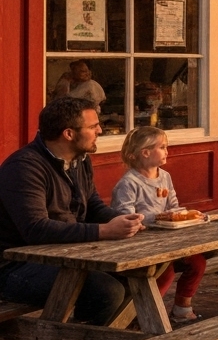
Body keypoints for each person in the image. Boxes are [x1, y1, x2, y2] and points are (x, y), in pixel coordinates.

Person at [0, 97, 143, 325]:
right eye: (93, 126)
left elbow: (93, 206)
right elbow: (36, 230)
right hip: (15, 267)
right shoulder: (24, 168)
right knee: (107, 291)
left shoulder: (80, 159)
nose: (100, 130)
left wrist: (125, 221)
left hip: (66, 255)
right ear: (68, 134)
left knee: (137, 274)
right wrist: (105, 231)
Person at [111, 127, 206, 322]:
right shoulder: (129, 183)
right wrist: (158, 217)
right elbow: (124, 215)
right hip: (142, 240)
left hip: (169, 238)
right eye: (162, 147)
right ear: (145, 153)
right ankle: (143, 315)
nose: (167, 151)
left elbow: (173, 206)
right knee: (164, 272)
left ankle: (182, 307)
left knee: (197, 263)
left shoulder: (165, 177)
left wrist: (187, 215)